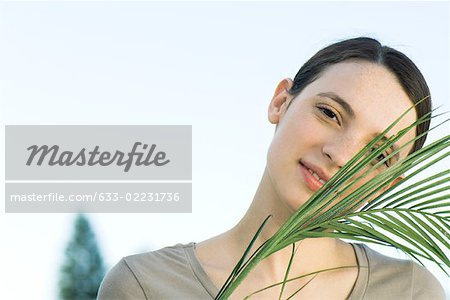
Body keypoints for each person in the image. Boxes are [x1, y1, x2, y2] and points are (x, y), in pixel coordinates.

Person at [97, 37, 446, 299]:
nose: (340, 155)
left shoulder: (411, 293)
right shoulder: (145, 285)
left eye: (378, 155)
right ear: (281, 102)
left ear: (387, 184)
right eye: (329, 114)